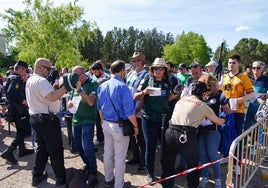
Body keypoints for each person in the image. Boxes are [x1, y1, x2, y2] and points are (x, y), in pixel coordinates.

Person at [25, 58, 80, 187]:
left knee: (42, 149)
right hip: (46, 120)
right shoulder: (40, 80)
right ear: (39, 67)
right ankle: (60, 178)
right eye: (48, 68)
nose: (50, 71)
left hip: (36, 118)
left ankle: (37, 176)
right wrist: (66, 87)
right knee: (55, 150)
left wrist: (58, 89)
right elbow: (52, 97)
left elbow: (48, 96)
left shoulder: (30, 80)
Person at [161, 81, 225, 188]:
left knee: (168, 165)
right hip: (186, 135)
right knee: (193, 166)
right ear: (204, 94)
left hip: (170, 132)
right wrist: (224, 119)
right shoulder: (203, 106)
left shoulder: (181, 100)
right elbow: (217, 121)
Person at [134, 57, 177, 183]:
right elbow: (136, 97)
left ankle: (166, 173)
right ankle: (150, 172)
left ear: (165, 70)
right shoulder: (147, 79)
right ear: (152, 69)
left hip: (164, 119)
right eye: (156, 68)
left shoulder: (168, 81)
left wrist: (174, 95)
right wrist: (144, 92)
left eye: (161, 69)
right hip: (149, 119)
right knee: (150, 147)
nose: (158, 71)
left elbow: (167, 99)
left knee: (165, 147)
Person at [97, 60, 139, 188]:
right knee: (120, 158)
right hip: (118, 126)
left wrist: (102, 120)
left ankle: (108, 179)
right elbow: (129, 112)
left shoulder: (102, 86)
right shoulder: (123, 87)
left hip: (106, 123)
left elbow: (99, 108)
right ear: (122, 71)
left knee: (108, 153)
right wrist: (136, 127)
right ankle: (118, 185)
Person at [221, 54, 254, 174]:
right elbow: (221, 92)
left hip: (238, 112)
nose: (231, 64)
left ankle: (237, 162)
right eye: (229, 62)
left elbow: (251, 95)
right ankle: (226, 156)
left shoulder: (243, 77)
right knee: (225, 134)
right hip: (225, 111)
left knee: (236, 137)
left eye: (234, 62)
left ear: (238, 64)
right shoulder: (224, 76)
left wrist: (237, 100)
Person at [67, 66, 99, 179]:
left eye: (76, 75)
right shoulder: (74, 84)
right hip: (76, 119)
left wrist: (80, 90)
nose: (74, 78)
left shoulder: (93, 83)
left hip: (88, 119)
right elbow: (70, 98)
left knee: (87, 147)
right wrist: (69, 104)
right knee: (78, 146)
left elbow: (91, 102)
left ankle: (93, 170)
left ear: (83, 74)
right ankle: (88, 165)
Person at [1, 60, 34, 165]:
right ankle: (9, 151)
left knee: (20, 129)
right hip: (18, 109)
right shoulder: (16, 79)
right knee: (23, 131)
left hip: (14, 109)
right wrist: (22, 101)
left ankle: (22, 149)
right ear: (20, 69)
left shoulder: (10, 77)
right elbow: (11, 93)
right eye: (25, 70)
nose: (26, 73)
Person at [198, 74, 225, 188]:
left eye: (209, 85)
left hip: (213, 130)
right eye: (205, 85)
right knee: (202, 155)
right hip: (200, 130)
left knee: (213, 155)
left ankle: (218, 179)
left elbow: (227, 112)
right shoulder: (198, 95)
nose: (207, 87)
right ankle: (205, 177)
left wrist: (226, 103)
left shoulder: (219, 95)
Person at [125, 52, 148, 171]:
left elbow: (144, 97)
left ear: (141, 62)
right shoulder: (130, 75)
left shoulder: (147, 76)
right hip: (129, 111)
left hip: (138, 112)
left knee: (141, 138)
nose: (133, 63)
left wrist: (136, 109)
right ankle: (136, 157)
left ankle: (144, 161)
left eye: (135, 61)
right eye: (132, 61)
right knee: (131, 137)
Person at [244, 61, 268, 130]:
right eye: (253, 68)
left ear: (262, 69)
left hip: (260, 109)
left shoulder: (266, 79)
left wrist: (265, 95)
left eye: (258, 68)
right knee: (245, 129)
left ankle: (259, 141)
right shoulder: (247, 79)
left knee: (259, 130)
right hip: (247, 108)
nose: (255, 70)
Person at [90, 62, 110, 146]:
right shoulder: (93, 77)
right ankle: (100, 138)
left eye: (96, 72)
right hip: (96, 103)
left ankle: (108, 138)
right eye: (93, 72)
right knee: (98, 122)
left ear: (100, 70)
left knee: (106, 121)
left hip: (105, 104)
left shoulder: (107, 77)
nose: (95, 74)